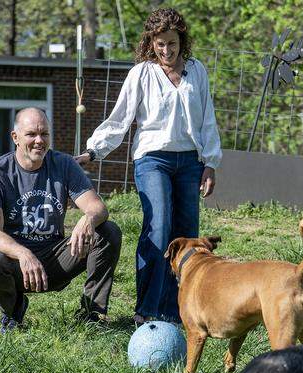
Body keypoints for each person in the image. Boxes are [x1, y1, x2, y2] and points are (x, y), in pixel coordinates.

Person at [77, 7, 221, 326]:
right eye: (160, 45)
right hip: (152, 159)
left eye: (171, 44)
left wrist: (210, 163)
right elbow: (120, 119)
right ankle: (147, 309)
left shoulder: (197, 72)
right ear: (151, 43)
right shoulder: (141, 74)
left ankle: (176, 309)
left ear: (181, 40)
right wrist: (93, 150)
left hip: (189, 162)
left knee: (186, 236)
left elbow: (207, 119)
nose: (166, 51)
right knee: (159, 227)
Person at [0, 107, 122, 333]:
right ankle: (13, 311)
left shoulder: (63, 165)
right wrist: (24, 254)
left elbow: (97, 208)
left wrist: (88, 219)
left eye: (44, 134)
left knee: (108, 231)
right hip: (15, 263)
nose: (39, 141)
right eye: (31, 134)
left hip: (56, 259)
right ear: (15, 137)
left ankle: (92, 313)